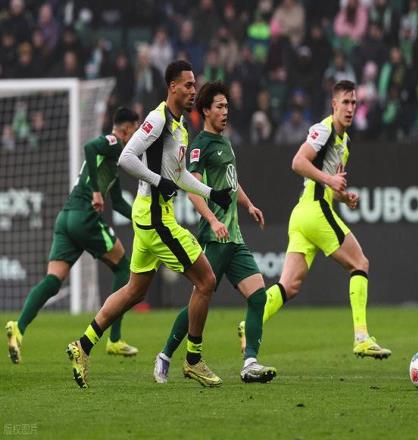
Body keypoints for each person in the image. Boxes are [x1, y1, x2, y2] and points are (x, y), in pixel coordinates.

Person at [66, 60, 232, 389]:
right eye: (188, 85)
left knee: (134, 291)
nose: (193, 91)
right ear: (172, 87)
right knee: (206, 280)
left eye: (195, 85)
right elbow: (127, 157)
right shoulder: (158, 119)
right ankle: (193, 359)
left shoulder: (180, 127)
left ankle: (82, 345)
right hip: (156, 218)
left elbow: (179, 175)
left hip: (151, 215)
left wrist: (211, 192)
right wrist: (158, 181)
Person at [239, 80, 391, 359]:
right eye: (345, 102)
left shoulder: (344, 142)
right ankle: (361, 338)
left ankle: (250, 322)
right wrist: (330, 181)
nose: (350, 108)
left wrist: (344, 197)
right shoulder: (324, 129)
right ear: (334, 105)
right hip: (315, 210)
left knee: (289, 285)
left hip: (303, 214)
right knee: (360, 263)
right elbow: (298, 162)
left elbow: (330, 185)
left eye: (354, 102)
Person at [154, 81, 276, 385]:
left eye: (227, 106)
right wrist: (211, 220)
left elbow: (232, 181)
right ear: (206, 111)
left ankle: (250, 363)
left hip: (234, 237)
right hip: (216, 237)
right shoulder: (200, 145)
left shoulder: (224, 141)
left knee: (258, 296)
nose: (225, 111)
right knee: (200, 298)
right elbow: (192, 188)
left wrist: (248, 204)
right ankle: (166, 354)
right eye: (220, 106)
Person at [6, 107, 141, 364]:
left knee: (53, 280)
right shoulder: (113, 142)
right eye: (136, 129)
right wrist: (96, 192)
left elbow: (118, 203)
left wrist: (142, 217)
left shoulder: (115, 160)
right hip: (84, 217)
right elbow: (89, 146)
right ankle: (114, 339)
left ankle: (18, 328)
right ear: (126, 129)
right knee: (124, 267)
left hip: (66, 217)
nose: (138, 135)